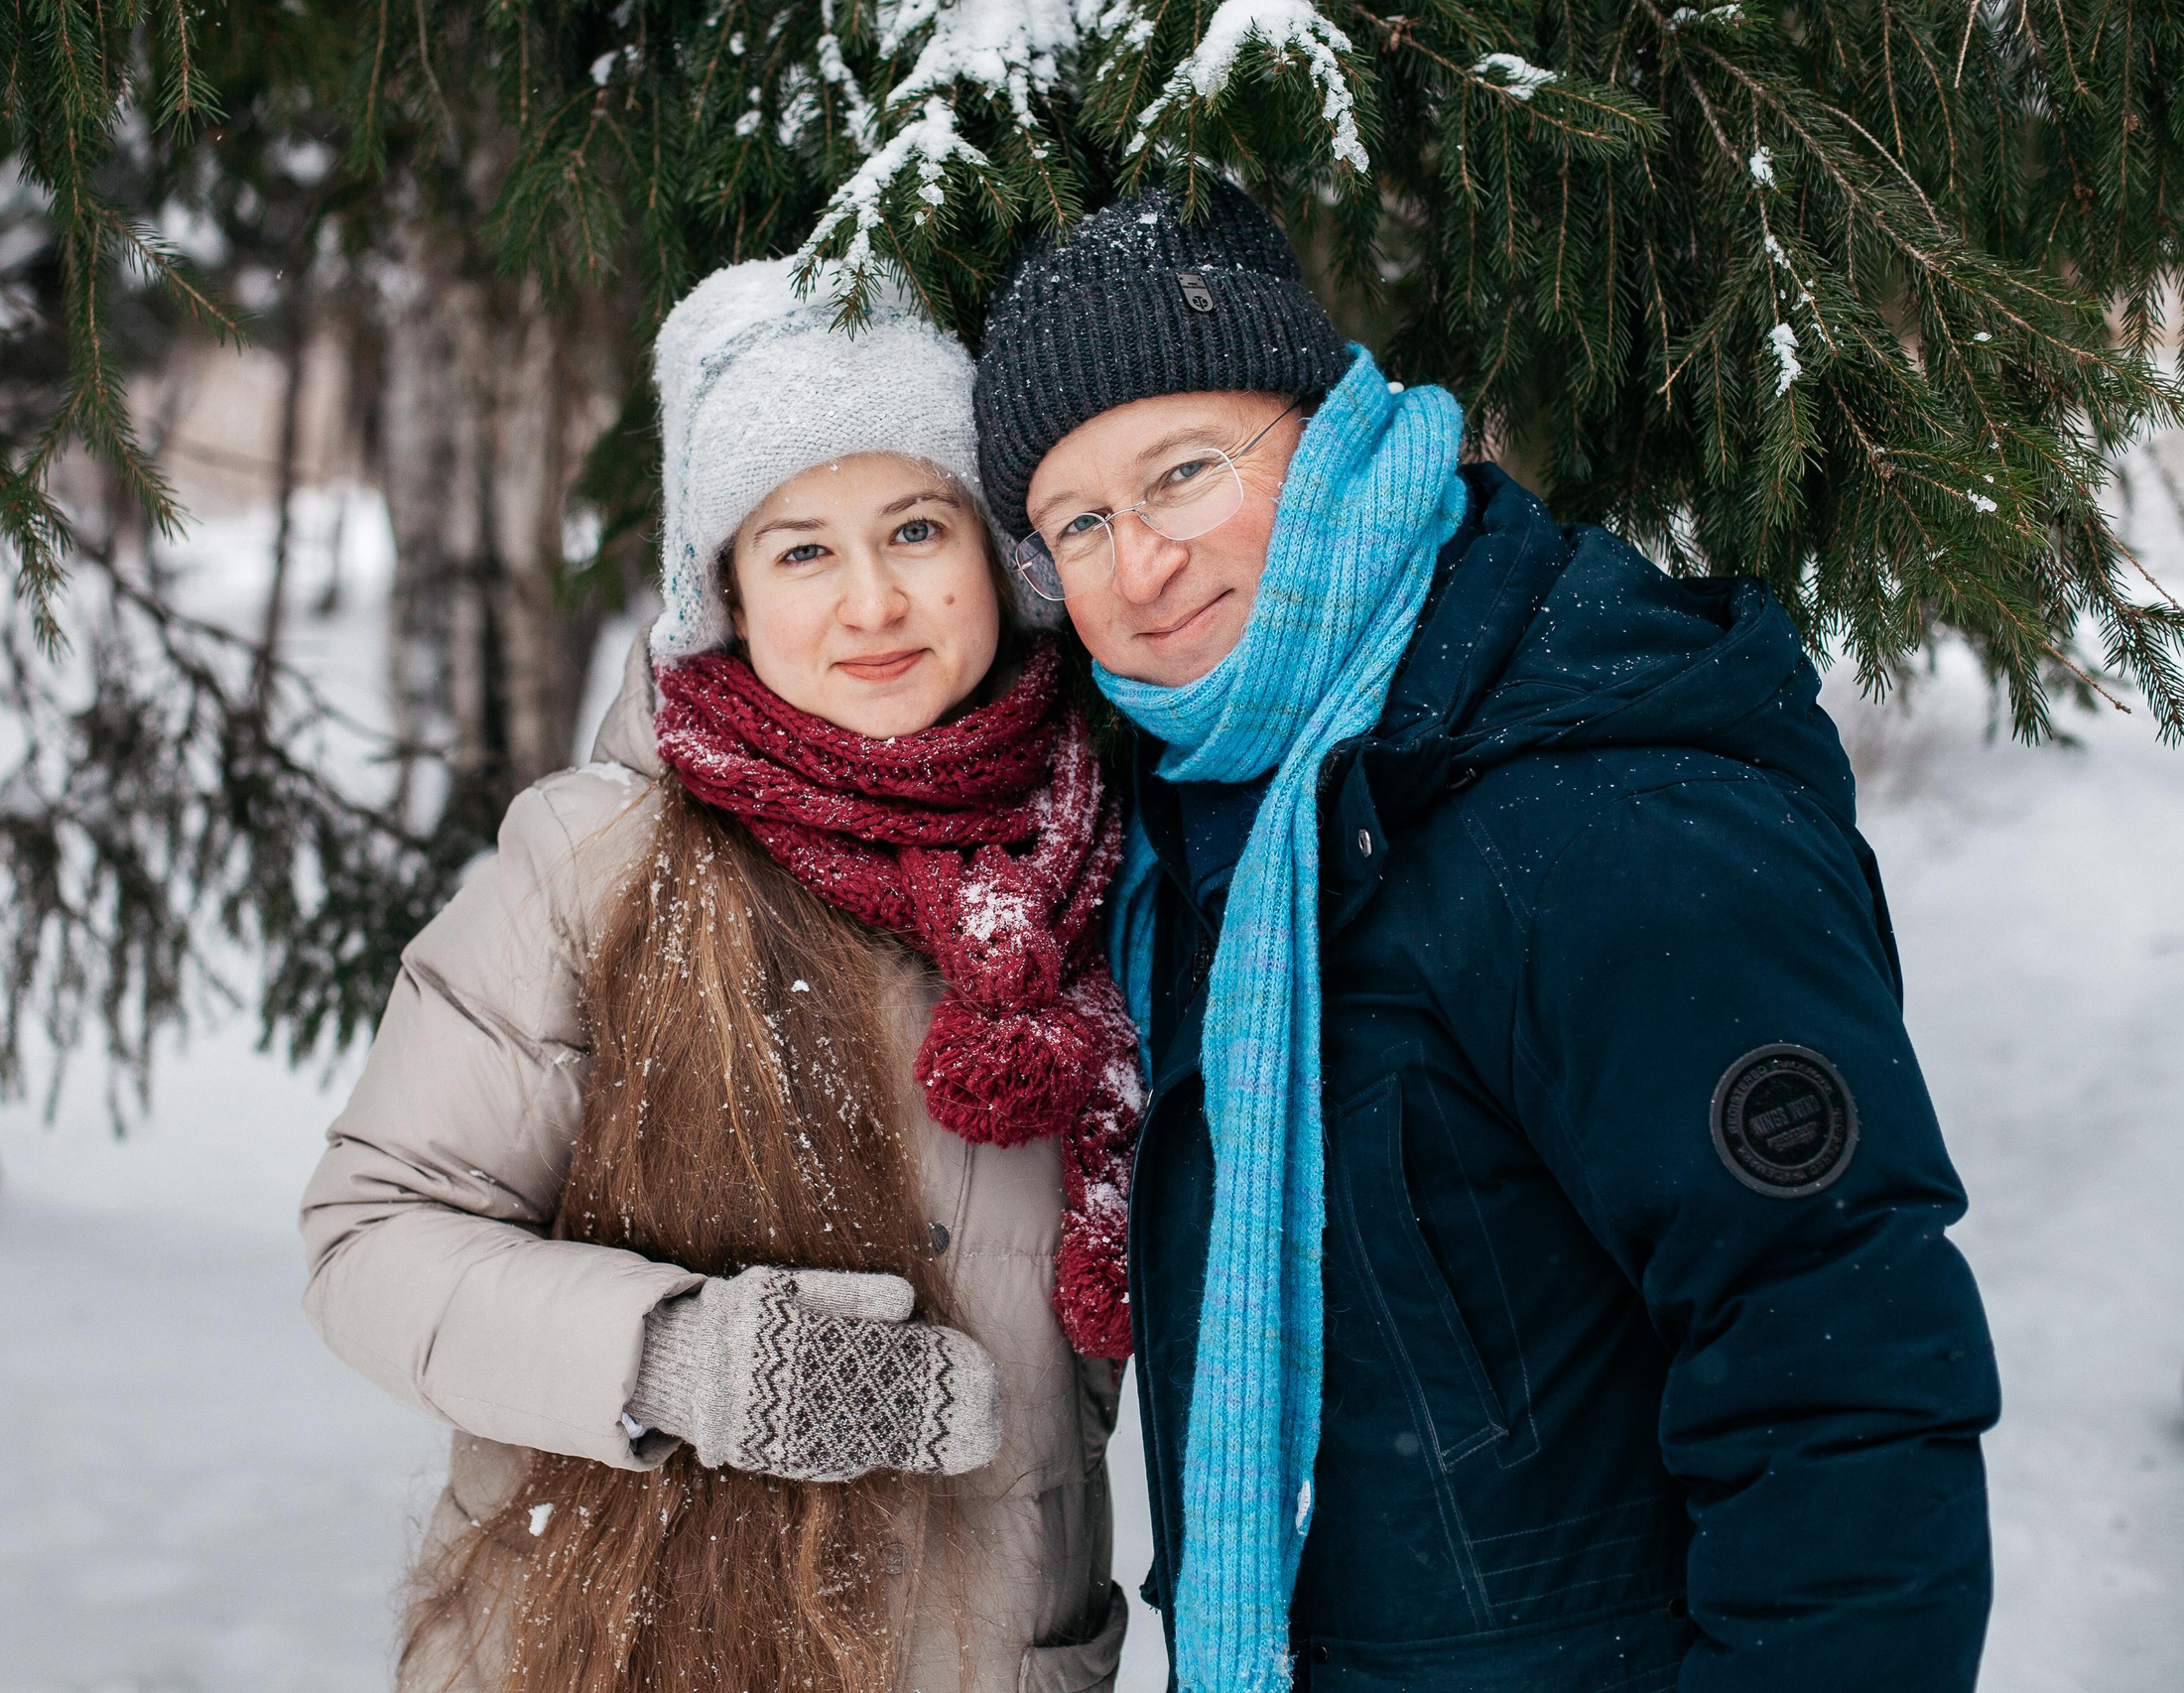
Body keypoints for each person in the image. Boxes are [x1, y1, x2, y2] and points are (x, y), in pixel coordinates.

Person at [968, 182, 2002, 1692]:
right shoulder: (1188, 841)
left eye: (1183, 473)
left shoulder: (1594, 810)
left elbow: (1840, 1379)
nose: (1141, 566)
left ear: (1328, 429)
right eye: (1080, 522)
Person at [300, 258, 1136, 1693]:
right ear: (729, 596)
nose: (873, 601)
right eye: (802, 551)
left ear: (994, 558)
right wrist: (680, 1361)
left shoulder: (1100, 866)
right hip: (626, 1647)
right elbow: (367, 1240)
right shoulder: (596, 865)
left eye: (917, 527)